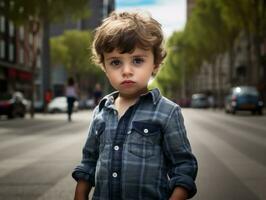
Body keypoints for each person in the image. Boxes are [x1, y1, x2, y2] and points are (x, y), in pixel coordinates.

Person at [72, 11, 198, 200]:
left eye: (137, 60)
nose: (127, 71)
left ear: (155, 64)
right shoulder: (101, 111)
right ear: (105, 68)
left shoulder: (167, 112)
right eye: (115, 62)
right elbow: (88, 162)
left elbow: (184, 168)